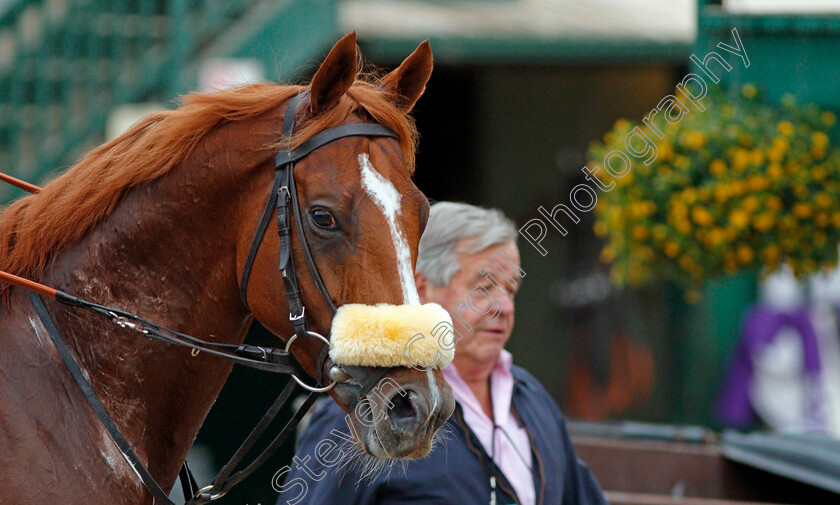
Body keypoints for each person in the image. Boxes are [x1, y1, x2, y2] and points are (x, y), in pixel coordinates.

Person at [276, 202, 608, 505]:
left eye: (510, 289)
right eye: (484, 287)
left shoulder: (533, 398)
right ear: (421, 290)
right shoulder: (368, 412)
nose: (504, 307)